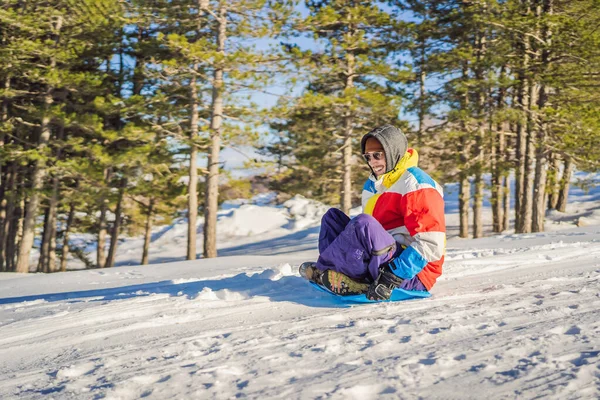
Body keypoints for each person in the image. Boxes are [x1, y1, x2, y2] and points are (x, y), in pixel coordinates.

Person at [299, 124, 446, 301]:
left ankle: (340, 275)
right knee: (332, 218)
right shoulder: (373, 184)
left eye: (378, 155)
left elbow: (432, 244)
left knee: (363, 223)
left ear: (393, 152)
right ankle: (332, 272)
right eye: (368, 156)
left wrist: (392, 276)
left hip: (412, 274)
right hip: (384, 257)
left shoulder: (416, 184)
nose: (372, 161)